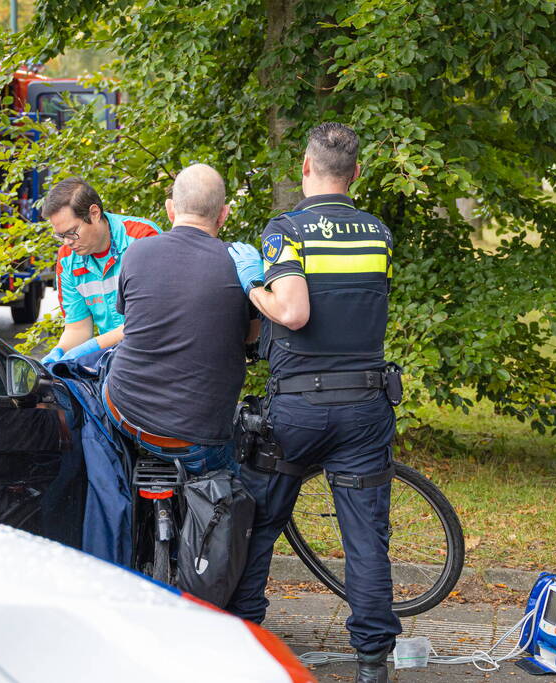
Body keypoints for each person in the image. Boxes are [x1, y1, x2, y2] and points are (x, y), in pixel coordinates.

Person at [225, 122, 400, 682]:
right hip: (366, 411)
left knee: (258, 525)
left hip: (297, 411)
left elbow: (294, 312)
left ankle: (247, 642)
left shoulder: (287, 230)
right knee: (366, 538)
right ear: (356, 174)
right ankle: (373, 664)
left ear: (305, 167)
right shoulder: (378, 234)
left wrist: (253, 282)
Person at [103, 164, 255, 472]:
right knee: (247, 486)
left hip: (122, 413)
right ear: (223, 214)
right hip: (196, 439)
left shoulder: (136, 253)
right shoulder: (239, 265)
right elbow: (250, 337)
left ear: (170, 209)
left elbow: (132, 322)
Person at [40, 177, 161, 364]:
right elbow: (77, 329)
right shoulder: (67, 260)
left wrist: (94, 346)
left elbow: (148, 322)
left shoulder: (143, 239)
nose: (67, 242)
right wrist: (60, 352)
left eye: (71, 232)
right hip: (116, 361)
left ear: (94, 213)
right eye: (61, 235)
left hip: (156, 355)